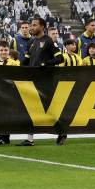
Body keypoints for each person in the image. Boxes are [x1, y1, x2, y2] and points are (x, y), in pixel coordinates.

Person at [18, 16, 65, 147]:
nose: (31, 27)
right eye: (31, 25)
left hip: (46, 81)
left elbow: (60, 59)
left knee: (48, 110)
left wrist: (45, 64)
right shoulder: (31, 42)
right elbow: (26, 61)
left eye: (34, 25)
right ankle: (30, 139)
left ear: (42, 27)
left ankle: (62, 131)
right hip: (33, 81)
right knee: (31, 109)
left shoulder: (49, 41)